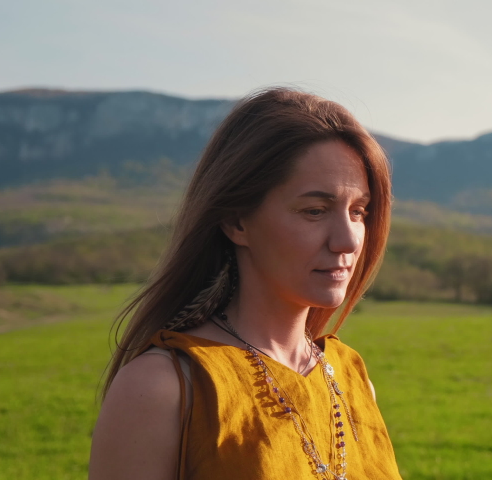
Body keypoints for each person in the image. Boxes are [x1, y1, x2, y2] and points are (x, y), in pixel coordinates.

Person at [89, 88, 403, 480]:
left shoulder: (351, 378)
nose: (348, 240)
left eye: (359, 211)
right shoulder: (163, 389)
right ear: (237, 222)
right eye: (315, 211)